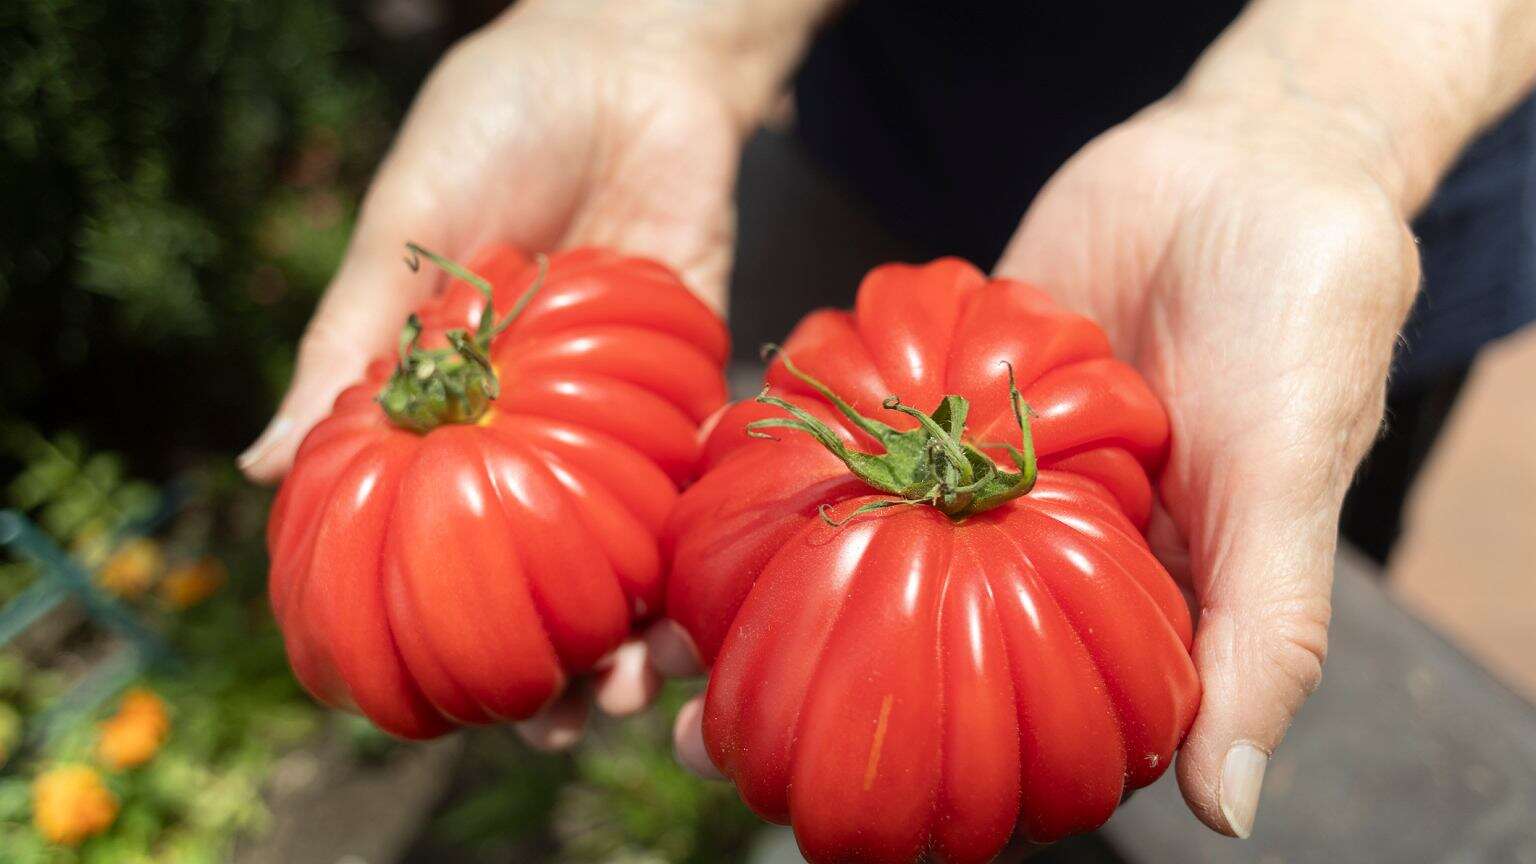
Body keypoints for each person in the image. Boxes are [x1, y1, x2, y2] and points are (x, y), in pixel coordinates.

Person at [237, 0, 1536, 842]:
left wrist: (1327, 111)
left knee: (1232, 533)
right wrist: (656, 32)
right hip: (888, 118)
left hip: (1326, 189)